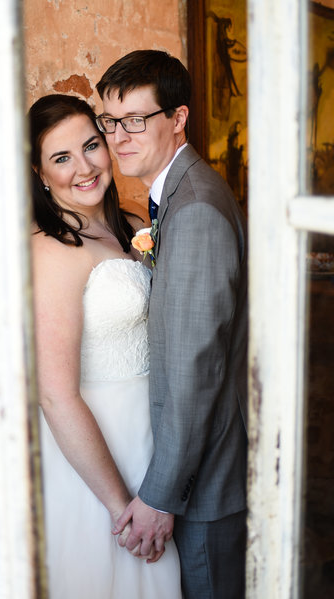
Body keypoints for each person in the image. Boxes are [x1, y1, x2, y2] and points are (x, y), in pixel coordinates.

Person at [96, 50, 248, 599]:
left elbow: (194, 371)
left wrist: (159, 498)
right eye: (110, 122)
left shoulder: (196, 210)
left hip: (203, 484)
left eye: (136, 120)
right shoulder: (177, 195)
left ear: (177, 118)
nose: (119, 137)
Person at [28, 93, 182, 599]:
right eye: (61, 157)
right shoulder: (52, 249)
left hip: (150, 437)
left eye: (91, 145)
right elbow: (54, 394)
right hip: (97, 454)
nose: (85, 167)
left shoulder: (136, 225)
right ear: (39, 171)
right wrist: (120, 506)